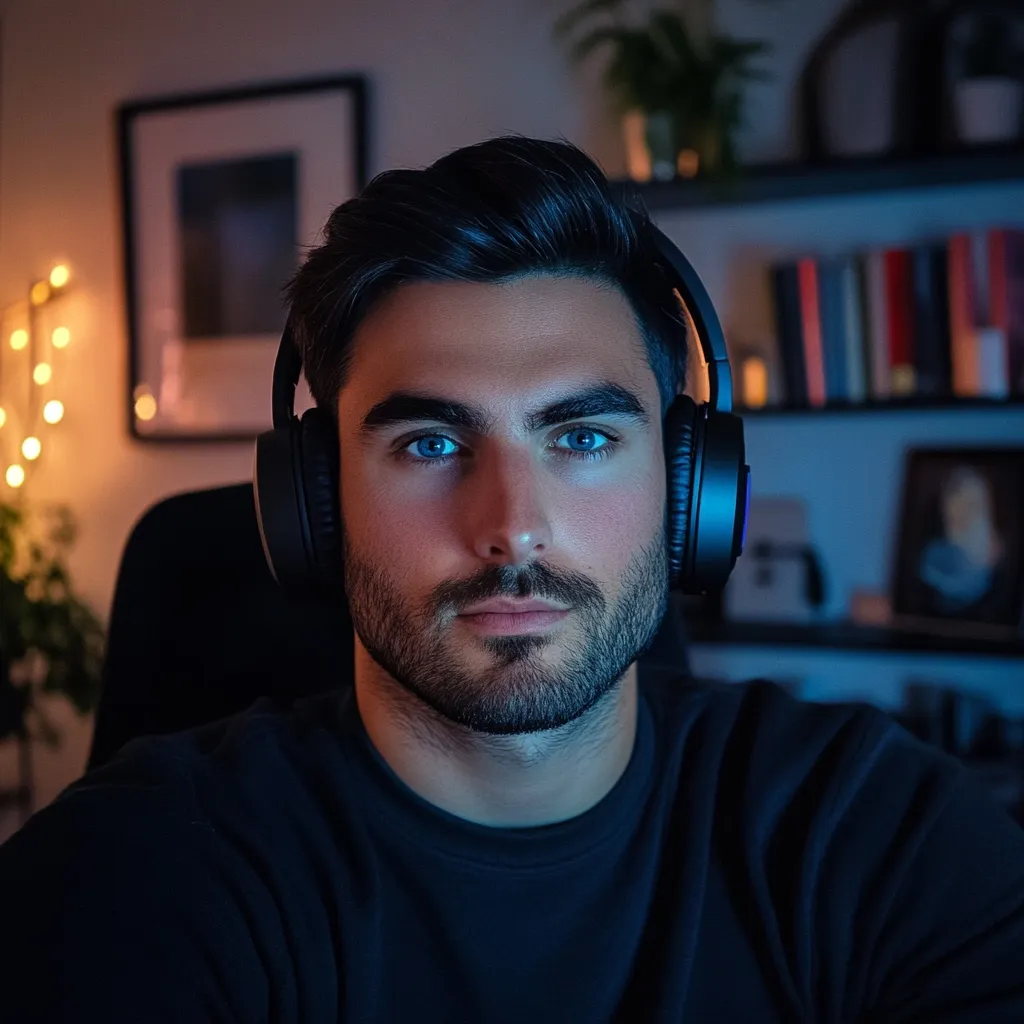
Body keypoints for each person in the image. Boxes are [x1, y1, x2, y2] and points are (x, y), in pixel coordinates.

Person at [1, 136, 1023, 1023]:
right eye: (431, 443)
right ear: (316, 504)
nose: (510, 527)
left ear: (687, 491)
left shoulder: (873, 835)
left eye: (581, 434)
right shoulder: (140, 874)